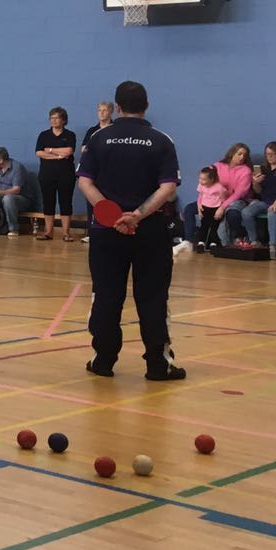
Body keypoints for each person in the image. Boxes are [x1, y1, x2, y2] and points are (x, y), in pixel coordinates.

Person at [77, 80, 183, 381]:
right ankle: (158, 365)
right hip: (150, 231)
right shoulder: (161, 140)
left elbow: (85, 182)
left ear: (118, 106)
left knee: (106, 295)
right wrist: (136, 216)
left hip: (105, 232)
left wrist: (111, 214)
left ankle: (103, 361)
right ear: (146, 105)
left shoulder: (99, 138)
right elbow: (168, 187)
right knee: (153, 297)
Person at [237, 141, 276, 256]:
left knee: (272, 212)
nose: (269, 157)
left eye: (272, 154)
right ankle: (254, 241)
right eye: (267, 154)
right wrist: (255, 182)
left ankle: (273, 246)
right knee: (246, 212)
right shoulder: (264, 169)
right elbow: (258, 191)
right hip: (266, 201)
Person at [34, 107, 78, 241]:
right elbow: (39, 153)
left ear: (63, 120)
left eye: (56, 117)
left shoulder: (70, 135)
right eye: (51, 118)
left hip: (66, 174)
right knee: (48, 202)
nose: (53, 120)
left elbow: (69, 151)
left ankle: (66, 233)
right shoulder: (43, 135)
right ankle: (48, 232)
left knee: (65, 202)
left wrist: (51, 150)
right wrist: (58, 156)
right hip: (47, 174)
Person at [78, 100, 115, 245]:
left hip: (110, 171)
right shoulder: (92, 131)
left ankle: (110, 229)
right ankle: (92, 232)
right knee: (91, 200)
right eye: (99, 110)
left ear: (111, 112)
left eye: (105, 110)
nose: (102, 113)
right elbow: (83, 149)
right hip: (94, 170)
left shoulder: (115, 128)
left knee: (109, 199)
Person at [210, 142, 255, 245]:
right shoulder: (218, 166)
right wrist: (201, 202)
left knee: (231, 214)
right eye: (239, 154)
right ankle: (192, 241)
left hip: (239, 200)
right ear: (232, 153)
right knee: (190, 209)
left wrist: (222, 207)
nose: (242, 157)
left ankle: (240, 236)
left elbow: (239, 193)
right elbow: (205, 181)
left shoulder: (246, 171)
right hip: (217, 198)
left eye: (244, 155)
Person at [189, 167, 230, 251]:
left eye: (204, 179)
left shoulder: (219, 187)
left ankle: (213, 243)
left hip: (215, 209)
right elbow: (200, 196)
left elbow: (223, 199)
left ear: (211, 179)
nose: (200, 181)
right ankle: (201, 242)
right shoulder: (201, 185)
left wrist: (221, 209)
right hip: (204, 207)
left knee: (214, 226)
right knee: (204, 225)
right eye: (200, 178)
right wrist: (199, 205)